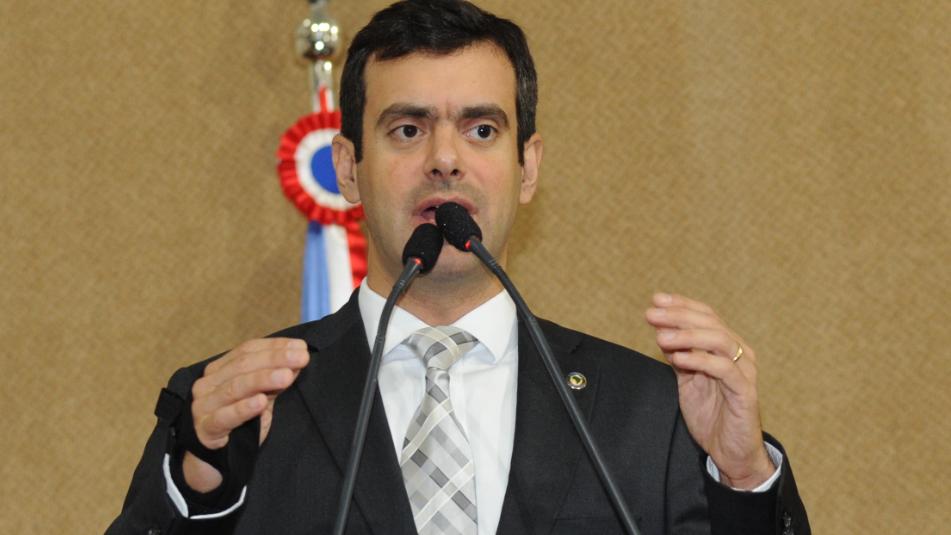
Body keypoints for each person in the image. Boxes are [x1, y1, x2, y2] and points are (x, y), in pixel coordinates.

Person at [108, 1, 810, 534]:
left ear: (527, 167)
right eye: (407, 129)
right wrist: (199, 482)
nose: (445, 159)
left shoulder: (651, 413)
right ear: (347, 169)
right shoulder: (236, 410)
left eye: (480, 129)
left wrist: (742, 477)